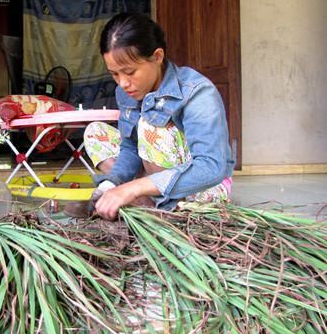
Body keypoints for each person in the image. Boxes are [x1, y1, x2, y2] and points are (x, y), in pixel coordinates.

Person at [84, 12, 235, 221]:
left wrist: (133, 188)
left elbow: (211, 167)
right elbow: (130, 147)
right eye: (114, 74)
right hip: (153, 174)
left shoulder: (197, 92)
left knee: (149, 123)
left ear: (157, 57)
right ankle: (143, 199)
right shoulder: (126, 92)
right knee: (95, 133)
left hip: (202, 187)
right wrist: (110, 184)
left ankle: (144, 199)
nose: (122, 83)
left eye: (129, 72)